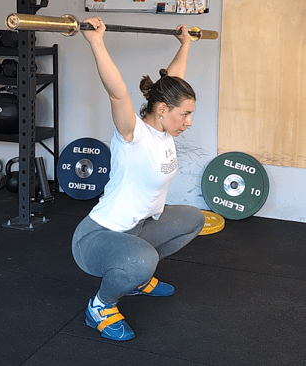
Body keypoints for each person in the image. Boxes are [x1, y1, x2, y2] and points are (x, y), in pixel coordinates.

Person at [72, 16, 205, 341]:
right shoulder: (133, 134)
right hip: (97, 237)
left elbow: (173, 80)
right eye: (184, 114)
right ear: (161, 109)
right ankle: (101, 305)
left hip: (141, 225)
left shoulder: (164, 123)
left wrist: (185, 42)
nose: (188, 122)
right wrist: (96, 42)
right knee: (143, 260)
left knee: (194, 219)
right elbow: (118, 94)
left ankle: (134, 276)